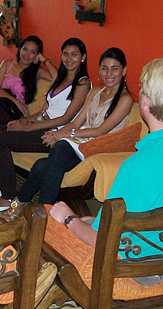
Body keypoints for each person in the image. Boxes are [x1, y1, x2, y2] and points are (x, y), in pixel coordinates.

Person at [48, 57, 163, 285]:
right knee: (87, 219)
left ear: (146, 103)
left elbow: (102, 241)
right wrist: (89, 221)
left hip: (139, 268)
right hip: (150, 248)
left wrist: (68, 219)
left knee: (49, 221)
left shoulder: (136, 166)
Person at [0, 47, 134, 215]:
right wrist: (56, 134)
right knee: (42, 165)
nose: (109, 74)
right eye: (105, 68)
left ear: (124, 71)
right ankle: (23, 206)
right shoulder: (95, 92)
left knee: (60, 149)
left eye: (115, 68)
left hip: (98, 147)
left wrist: (63, 134)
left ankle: (41, 213)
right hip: (80, 143)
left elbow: (101, 131)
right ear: (99, 69)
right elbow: (76, 122)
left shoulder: (125, 99)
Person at [0, 38, 91, 202]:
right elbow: (43, 109)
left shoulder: (83, 83)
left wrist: (28, 128)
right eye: (65, 54)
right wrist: (25, 120)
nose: (69, 58)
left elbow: (67, 118)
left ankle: (8, 196)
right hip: (40, 125)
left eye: (74, 55)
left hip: (54, 134)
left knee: (0, 139)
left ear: (83, 57)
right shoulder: (60, 79)